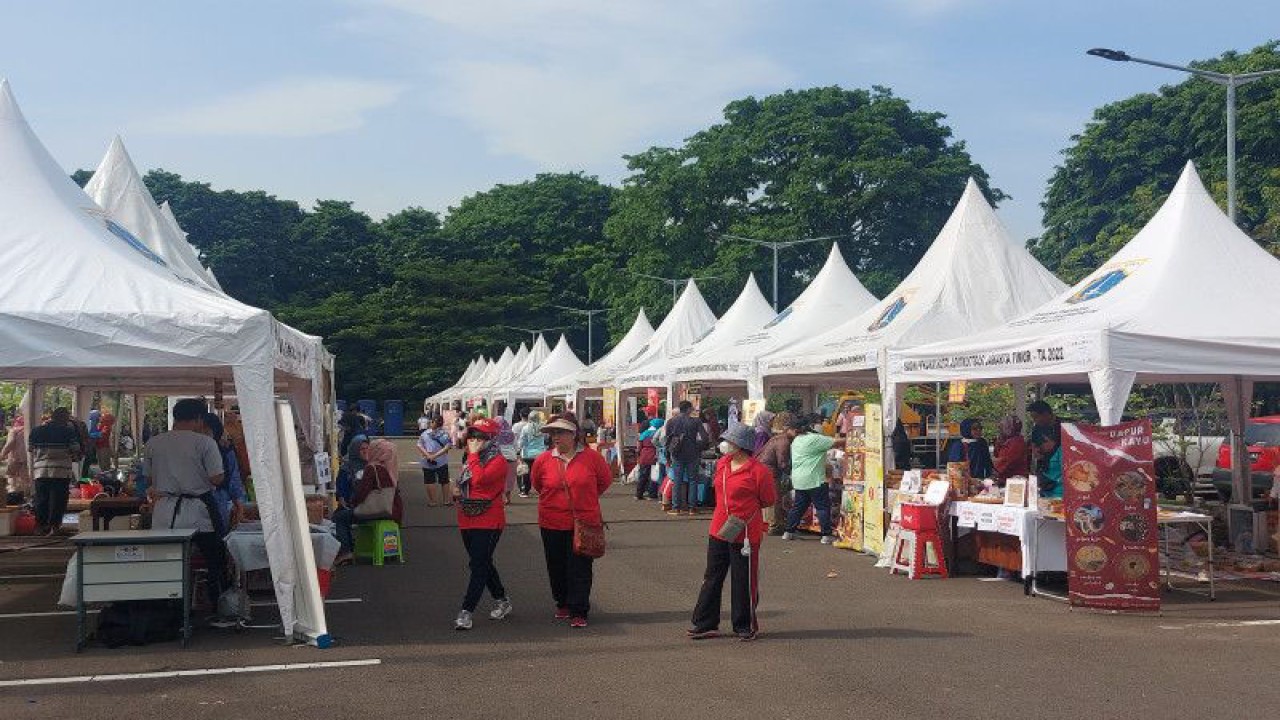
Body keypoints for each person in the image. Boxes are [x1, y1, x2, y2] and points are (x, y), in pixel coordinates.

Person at [144, 399, 231, 623]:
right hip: (198, 511)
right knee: (214, 561)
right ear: (200, 419)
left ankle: (168, 608)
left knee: (167, 563)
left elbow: (149, 478)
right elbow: (217, 477)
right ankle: (217, 606)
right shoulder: (204, 443)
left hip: (164, 511)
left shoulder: (154, 443)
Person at [689, 423, 776, 641]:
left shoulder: (759, 471)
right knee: (712, 576)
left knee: (743, 579)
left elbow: (768, 499)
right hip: (719, 528)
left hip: (745, 532)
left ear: (740, 445)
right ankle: (705, 623)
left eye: (729, 441)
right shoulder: (722, 464)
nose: (724, 444)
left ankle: (744, 625)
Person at [531, 413, 612, 628]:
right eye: (553, 433)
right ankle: (562, 602)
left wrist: (585, 498)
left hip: (584, 521)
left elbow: (604, 481)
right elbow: (538, 485)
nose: (556, 437)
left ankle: (579, 609)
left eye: (561, 432)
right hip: (551, 521)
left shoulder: (592, 458)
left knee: (580, 567)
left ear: (574, 434)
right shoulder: (543, 459)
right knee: (556, 565)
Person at [453, 418, 512, 630]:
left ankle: (466, 611)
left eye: (480, 436)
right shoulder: (468, 457)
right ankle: (502, 599)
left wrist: (474, 454)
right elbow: (464, 480)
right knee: (481, 562)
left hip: (489, 519)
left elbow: (479, 480)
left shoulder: (497, 460)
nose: (474, 440)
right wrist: (456, 489)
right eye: (472, 435)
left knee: (478, 564)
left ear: (491, 438)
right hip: (467, 516)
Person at [333, 439, 404, 566]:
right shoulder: (389, 466)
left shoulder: (372, 468)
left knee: (340, 517)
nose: (366, 452)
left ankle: (346, 552)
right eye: (362, 449)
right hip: (393, 511)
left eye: (369, 449)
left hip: (376, 511)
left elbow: (362, 492)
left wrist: (352, 503)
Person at [782, 415, 836, 544]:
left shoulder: (796, 441)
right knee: (822, 507)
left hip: (799, 479)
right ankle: (826, 535)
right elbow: (837, 442)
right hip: (814, 479)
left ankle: (788, 532)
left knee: (799, 507)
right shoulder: (815, 439)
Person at [28, 408, 81, 535]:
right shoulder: (68, 431)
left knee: (41, 498)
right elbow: (75, 449)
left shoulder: (36, 430)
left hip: (41, 470)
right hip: (61, 471)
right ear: (62, 418)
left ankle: (41, 526)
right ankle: (55, 526)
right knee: (58, 499)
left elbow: (31, 449)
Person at [664, 401, 709, 516]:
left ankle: (676, 508)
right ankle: (692, 508)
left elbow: (667, 440)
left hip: (677, 453)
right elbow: (704, 437)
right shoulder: (696, 421)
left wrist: (668, 455)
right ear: (689, 409)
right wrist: (698, 447)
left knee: (677, 480)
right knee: (693, 480)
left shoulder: (671, 421)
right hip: (692, 453)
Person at [203, 413, 246, 531]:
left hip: (219, 502)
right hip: (217, 502)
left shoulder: (226, 451)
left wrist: (240, 510)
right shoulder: (225, 450)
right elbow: (235, 482)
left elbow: (234, 481)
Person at [754, 411, 792, 537]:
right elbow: (782, 462)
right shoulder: (782, 440)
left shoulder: (774, 437)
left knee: (769, 498)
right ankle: (774, 525)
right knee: (774, 498)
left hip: (763, 468)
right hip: (769, 470)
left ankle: (770, 523)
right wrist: (790, 471)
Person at [417, 415, 452, 507]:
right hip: (442, 460)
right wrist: (435, 455)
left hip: (427, 460)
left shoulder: (425, 434)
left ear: (433, 422)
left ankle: (432, 501)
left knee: (429, 481)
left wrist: (428, 455)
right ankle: (446, 501)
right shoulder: (444, 434)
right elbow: (447, 447)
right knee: (444, 481)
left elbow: (419, 445)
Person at [515, 410, 547, 498]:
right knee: (540, 473)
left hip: (527, 453)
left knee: (526, 473)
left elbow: (522, 441)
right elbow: (546, 440)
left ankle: (525, 491)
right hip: (540, 453)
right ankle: (541, 490)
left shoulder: (525, 428)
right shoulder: (543, 427)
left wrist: (518, 451)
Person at [1, 414, 30, 501]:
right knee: (25, 479)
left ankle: (12, 496)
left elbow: (10, 443)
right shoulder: (29, 430)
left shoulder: (14, 430)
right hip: (27, 458)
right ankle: (25, 498)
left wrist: (2, 454)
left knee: (11, 476)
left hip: (15, 458)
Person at [993, 415, 1030, 483]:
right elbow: (996, 454)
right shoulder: (1008, 440)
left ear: (1010, 427)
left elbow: (1007, 462)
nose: (1000, 429)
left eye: (1002, 427)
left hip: (1015, 481)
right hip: (1007, 479)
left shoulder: (1016, 442)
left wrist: (994, 471)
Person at [635, 418, 662, 500]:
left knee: (643, 476)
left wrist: (639, 454)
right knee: (654, 476)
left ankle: (639, 494)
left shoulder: (644, 433)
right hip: (654, 456)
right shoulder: (658, 433)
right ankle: (652, 494)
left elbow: (638, 447)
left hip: (644, 455)